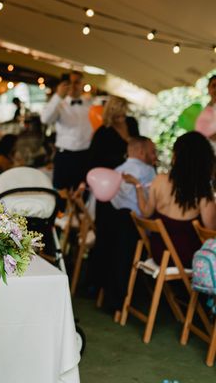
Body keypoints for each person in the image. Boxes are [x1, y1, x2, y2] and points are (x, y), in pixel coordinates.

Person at [124, 132, 216, 268]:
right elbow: (211, 230)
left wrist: (137, 186)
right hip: (188, 257)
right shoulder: (201, 190)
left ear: (176, 156)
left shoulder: (159, 180)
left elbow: (145, 213)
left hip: (160, 253)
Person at [92, 137, 157, 311]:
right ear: (142, 153)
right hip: (136, 230)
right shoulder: (148, 170)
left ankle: (109, 296)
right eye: (153, 151)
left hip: (112, 226)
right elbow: (151, 205)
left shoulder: (116, 172)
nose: (155, 156)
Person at [40, 71, 93, 189]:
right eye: (70, 83)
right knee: (61, 194)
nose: (73, 86)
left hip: (85, 156)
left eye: (77, 82)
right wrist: (58, 96)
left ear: (82, 84)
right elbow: (45, 119)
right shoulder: (58, 104)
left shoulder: (91, 105)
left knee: (83, 194)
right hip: (65, 156)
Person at [88, 96, 139, 170]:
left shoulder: (131, 122)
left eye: (123, 115)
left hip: (133, 167)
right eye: (118, 116)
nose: (121, 119)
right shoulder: (102, 132)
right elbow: (94, 158)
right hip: (112, 170)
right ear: (110, 114)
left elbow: (139, 143)